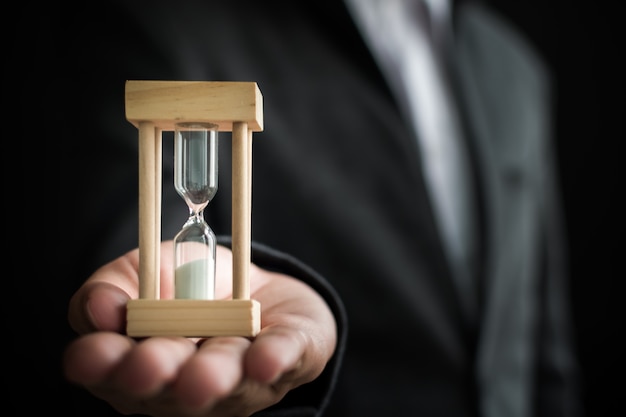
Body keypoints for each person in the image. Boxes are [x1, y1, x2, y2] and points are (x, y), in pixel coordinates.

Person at [37, 0, 583, 415]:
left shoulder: (514, 66)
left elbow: (541, 334)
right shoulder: (176, 23)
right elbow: (125, 242)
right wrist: (205, 275)